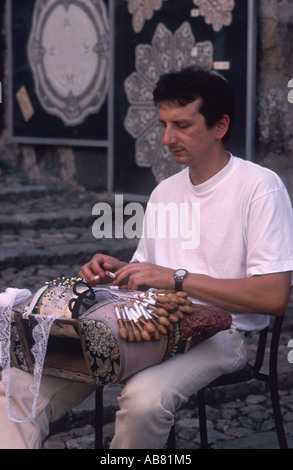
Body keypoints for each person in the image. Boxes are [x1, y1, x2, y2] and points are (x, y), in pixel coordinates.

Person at [1, 66, 293, 449]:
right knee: (19, 385)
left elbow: (273, 297)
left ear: (219, 126)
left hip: (224, 333)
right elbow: (148, 275)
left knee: (143, 401)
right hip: (149, 325)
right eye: (164, 124)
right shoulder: (166, 191)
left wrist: (174, 277)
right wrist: (115, 273)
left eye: (182, 125)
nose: (167, 138)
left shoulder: (259, 187)